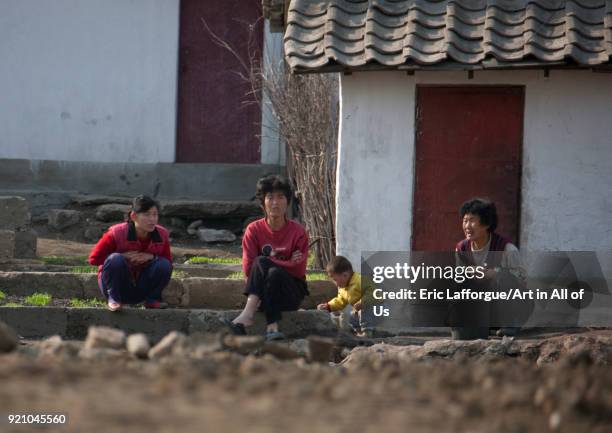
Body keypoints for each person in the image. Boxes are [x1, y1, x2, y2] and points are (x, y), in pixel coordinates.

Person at [222, 175, 309, 341]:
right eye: (270, 198)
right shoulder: (253, 230)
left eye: (280, 197)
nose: (275, 203)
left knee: (265, 264)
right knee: (270, 270)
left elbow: (298, 270)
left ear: (287, 202)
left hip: (290, 294)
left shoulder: (298, 232)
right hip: (262, 294)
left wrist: (269, 262)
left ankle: (247, 315)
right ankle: (272, 327)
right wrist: (288, 262)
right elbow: (249, 270)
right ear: (263, 202)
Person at [454, 198, 525, 338]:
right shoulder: (461, 248)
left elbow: (522, 280)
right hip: (484, 308)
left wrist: (495, 273)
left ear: (486, 223)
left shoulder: (506, 249)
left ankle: (510, 326)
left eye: (472, 220)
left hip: (511, 307)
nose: (467, 226)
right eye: (465, 220)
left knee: (504, 277)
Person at [88, 195, 173, 312]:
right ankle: (114, 299)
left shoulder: (162, 234)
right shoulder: (116, 233)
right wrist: (123, 256)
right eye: (147, 214)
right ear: (133, 216)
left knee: (163, 264)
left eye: (155, 214)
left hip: (142, 288)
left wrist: (152, 257)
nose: (152, 219)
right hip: (117, 285)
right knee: (115, 259)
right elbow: (94, 259)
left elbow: (168, 261)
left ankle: (152, 299)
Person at [317, 255, 374, 337]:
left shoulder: (360, 281)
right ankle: (358, 332)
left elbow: (374, 292)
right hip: (362, 313)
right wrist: (328, 306)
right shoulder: (344, 289)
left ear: (345, 275)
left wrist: (363, 301)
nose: (335, 283)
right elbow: (340, 301)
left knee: (363, 311)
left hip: (377, 309)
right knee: (351, 317)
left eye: (335, 280)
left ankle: (367, 332)